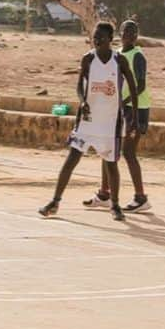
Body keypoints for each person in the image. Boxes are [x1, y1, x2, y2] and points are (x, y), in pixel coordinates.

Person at [40, 22, 137, 222]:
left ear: (110, 39)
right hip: (87, 122)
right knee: (71, 160)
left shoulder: (119, 61)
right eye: (94, 37)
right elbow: (78, 86)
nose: (97, 40)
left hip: (110, 122)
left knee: (111, 164)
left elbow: (134, 88)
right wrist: (83, 101)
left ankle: (115, 205)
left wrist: (133, 116)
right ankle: (55, 201)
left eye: (101, 37)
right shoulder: (88, 59)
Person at [83, 19, 152, 213]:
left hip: (136, 108)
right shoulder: (117, 55)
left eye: (133, 32)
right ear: (119, 34)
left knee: (129, 152)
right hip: (118, 108)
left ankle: (141, 197)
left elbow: (140, 85)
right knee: (108, 148)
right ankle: (104, 193)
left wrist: (124, 101)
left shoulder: (138, 56)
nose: (130, 35)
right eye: (126, 31)